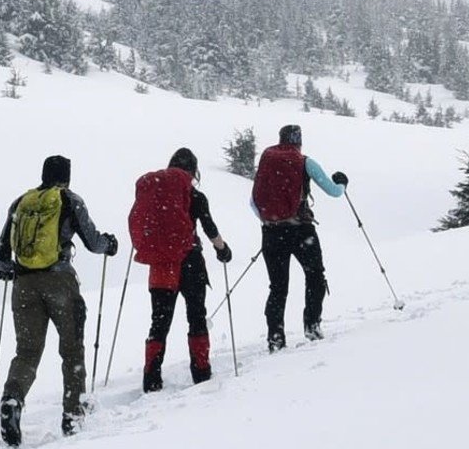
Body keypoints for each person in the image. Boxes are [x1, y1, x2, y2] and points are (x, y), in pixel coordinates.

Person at [0, 153, 118, 446]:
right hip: (59, 281)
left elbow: (1, 248)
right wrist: (110, 245)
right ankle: (72, 415)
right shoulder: (69, 200)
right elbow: (92, 241)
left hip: (24, 284)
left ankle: (12, 400)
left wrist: (8, 270)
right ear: (67, 176)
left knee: (27, 351)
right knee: (72, 349)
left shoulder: (21, 203)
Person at [139, 147, 232, 392]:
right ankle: (201, 372)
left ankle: (151, 378)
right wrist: (222, 249)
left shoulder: (155, 196)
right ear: (192, 171)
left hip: (161, 265)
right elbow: (209, 228)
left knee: (159, 322)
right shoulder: (195, 196)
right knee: (196, 317)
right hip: (190, 261)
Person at [250, 122, 348, 350]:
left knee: (278, 286)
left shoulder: (267, 159)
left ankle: (275, 337)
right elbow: (333, 192)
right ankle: (312, 325)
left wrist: (271, 220)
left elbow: (253, 202)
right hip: (301, 230)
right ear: (299, 141)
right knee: (314, 276)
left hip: (271, 232)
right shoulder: (305, 162)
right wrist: (342, 183)